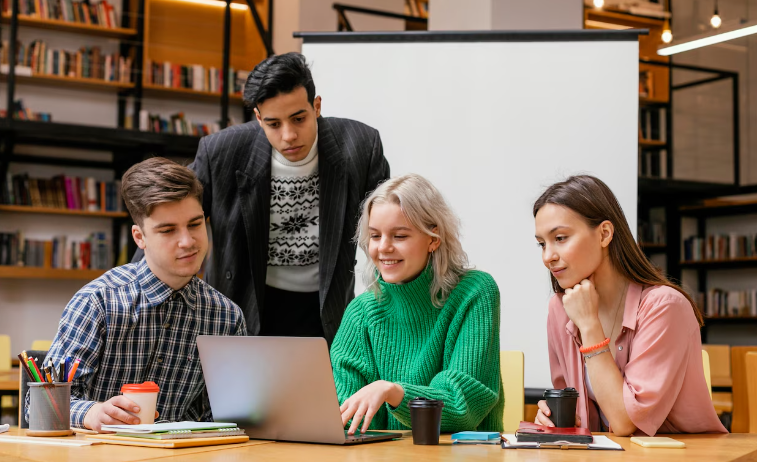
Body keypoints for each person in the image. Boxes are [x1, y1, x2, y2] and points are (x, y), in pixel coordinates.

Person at [134, 52, 389, 344]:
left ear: (316, 106)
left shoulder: (360, 146)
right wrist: (133, 294)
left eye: (298, 118)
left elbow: (387, 229)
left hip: (326, 310)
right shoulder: (222, 151)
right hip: (244, 305)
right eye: (273, 123)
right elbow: (168, 215)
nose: (288, 135)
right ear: (258, 118)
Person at [28, 158, 247, 432]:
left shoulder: (226, 317)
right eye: (167, 230)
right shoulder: (98, 301)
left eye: (195, 224)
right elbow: (38, 404)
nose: (188, 241)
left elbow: (225, 418)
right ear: (139, 237)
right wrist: (92, 413)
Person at [533, 175, 727, 436]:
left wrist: (589, 326)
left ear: (604, 234)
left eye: (560, 238)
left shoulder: (665, 307)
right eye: (542, 244)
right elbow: (578, 414)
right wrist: (553, 417)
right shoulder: (560, 309)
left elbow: (625, 422)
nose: (548, 257)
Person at [331, 174, 504, 435]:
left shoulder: (475, 292)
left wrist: (394, 392)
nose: (383, 248)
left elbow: (462, 406)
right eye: (375, 236)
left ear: (433, 239)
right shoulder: (360, 312)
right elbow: (346, 413)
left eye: (399, 236)